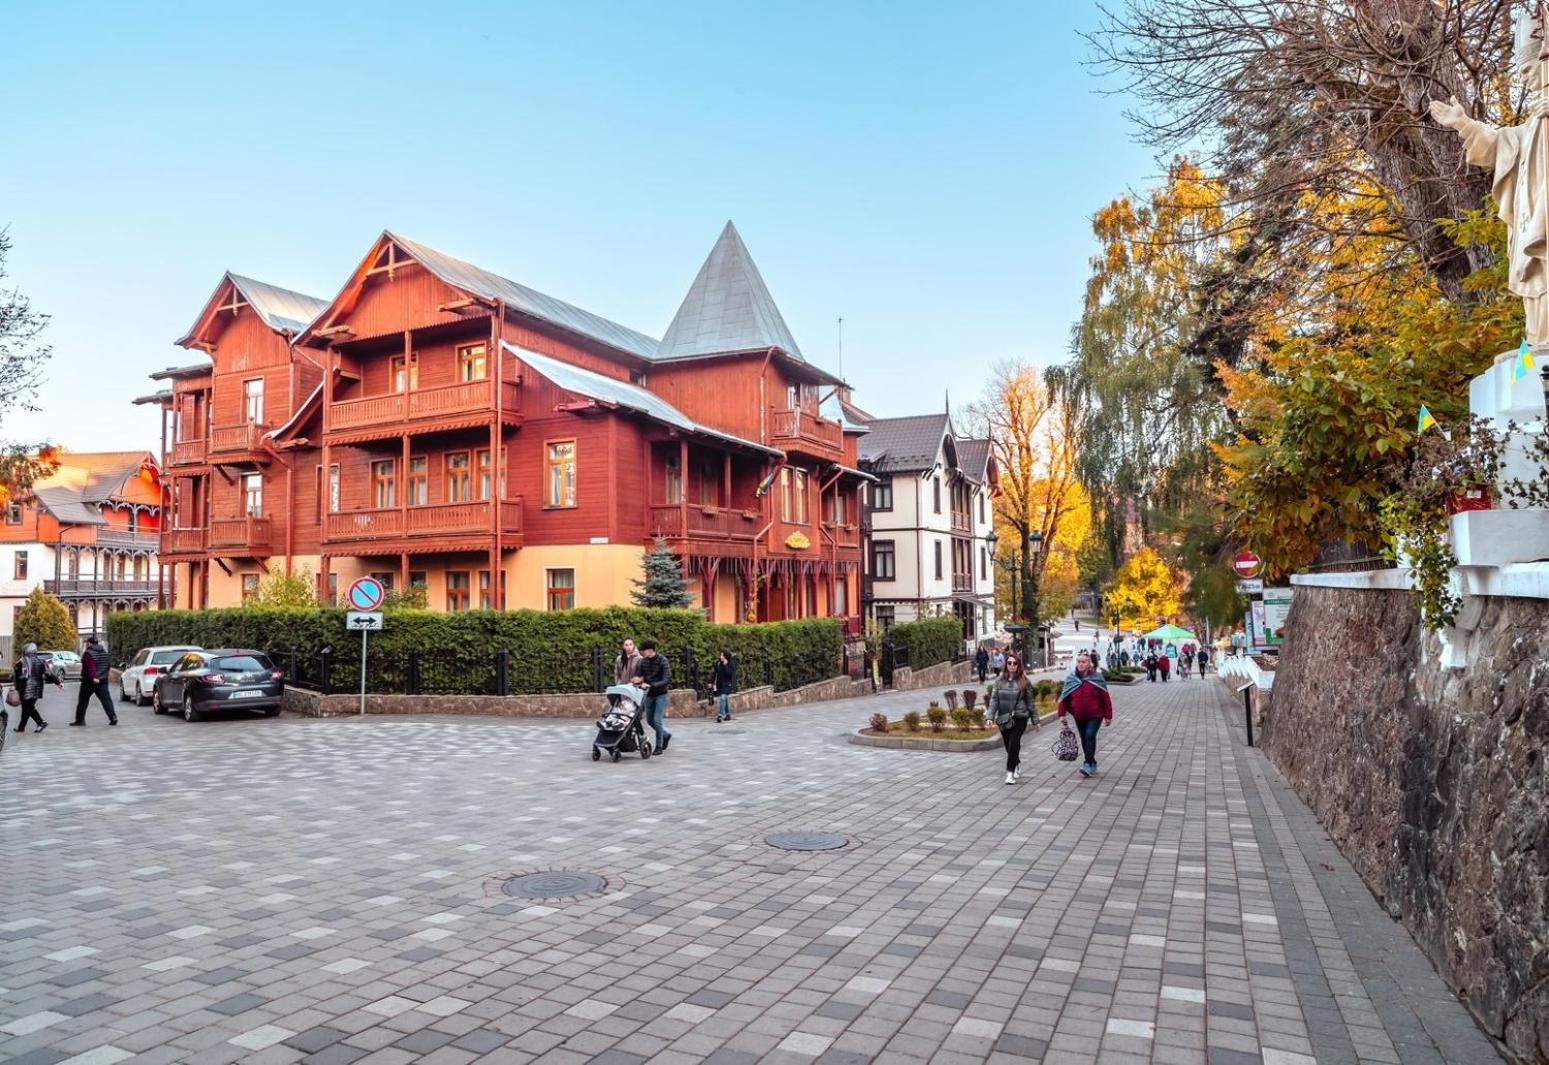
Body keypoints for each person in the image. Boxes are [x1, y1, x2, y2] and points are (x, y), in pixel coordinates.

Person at [1057, 650, 1113, 778]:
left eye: (1083, 662)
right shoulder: (1072, 678)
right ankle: (1092, 762)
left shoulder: (1097, 678)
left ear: (1089, 664)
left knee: (1089, 735)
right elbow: (1064, 697)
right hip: (1079, 715)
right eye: (1078, 662)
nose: (1080, 664)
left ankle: (1087, 763)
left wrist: (1108, 716)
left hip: (1095, 715)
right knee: (1084, 738)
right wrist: (1061, 714)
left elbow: (1105, 698)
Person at [986, 652, 1037, 785]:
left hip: (1020, 717)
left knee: (1014, 742)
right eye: (1009, 663)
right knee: (1009, 745)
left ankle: (1010, 773)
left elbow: (1030, 702)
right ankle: (1017, 763)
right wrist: (989, 716)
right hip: (1003, 717)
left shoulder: (1024, 682)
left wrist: (1035, 720)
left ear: (1018, 665)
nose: (1012, 665)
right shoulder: (999, 681)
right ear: (1006, 664)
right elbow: (994, 700)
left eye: (1015, 663)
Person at [12, 642, 60, 733]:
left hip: (25, 688)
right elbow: (48, 673)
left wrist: (16, 687)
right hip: (37, 688)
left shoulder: (22, 661)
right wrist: (58, 683)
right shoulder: (41, 661)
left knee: (28, 708)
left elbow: (17, 676)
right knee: (27, 707)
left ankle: (41, 722)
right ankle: (21, 727)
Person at [73, 635, 117, 726]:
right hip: (103, 680)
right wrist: (104, 675)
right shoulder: (104, 652)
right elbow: (108, 665)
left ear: (89, 643)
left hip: (89, 681)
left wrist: (94, 677)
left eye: (86, 644)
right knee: (106, 700)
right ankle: (113, 717)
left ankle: (80, 720)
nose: (85, 645)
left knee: (83, 701)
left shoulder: (88, 653)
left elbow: (90, 666)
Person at [636, 640, 671, 754]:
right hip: (649, 694)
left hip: (660, 694)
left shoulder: (663, 661)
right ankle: (665, 735)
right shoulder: (643, 661)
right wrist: (639, 681)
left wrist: (652, 685)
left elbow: (666, 679)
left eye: (644, 650)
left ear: (650, 650)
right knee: (650, 721)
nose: (642, 652)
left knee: (657, 720)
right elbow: (640, 676)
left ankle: (659, 746)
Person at [712, 649, 736, 723]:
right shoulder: (718, 663)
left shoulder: (730, 663)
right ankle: (728, 715)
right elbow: (714, 673)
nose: (721, 656)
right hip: (720, 684)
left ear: (726, 656)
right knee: (724, 698)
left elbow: (730, 674)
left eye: (722, 655)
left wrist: (725, 665)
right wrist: (710, 682)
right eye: (721, 655)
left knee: (723, 697)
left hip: (728, 684)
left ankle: (720, 715)